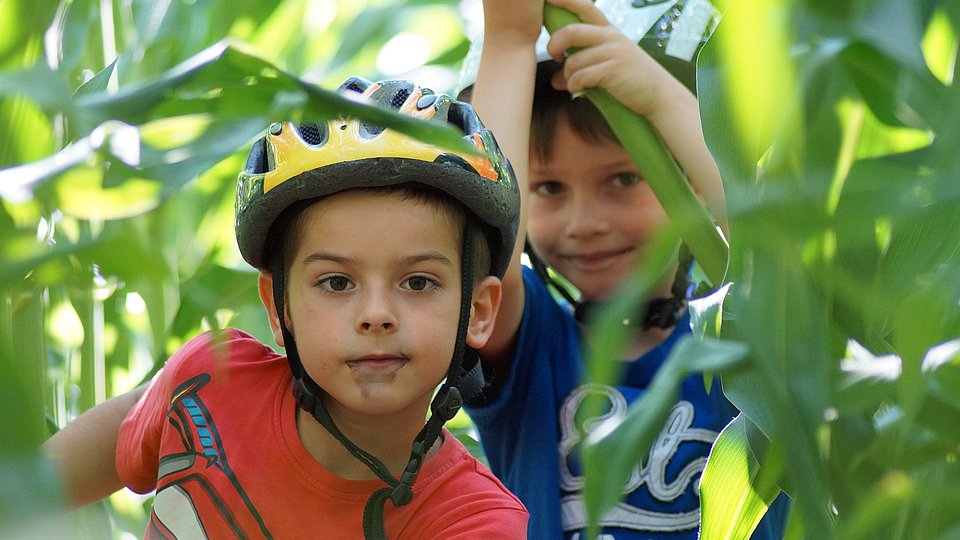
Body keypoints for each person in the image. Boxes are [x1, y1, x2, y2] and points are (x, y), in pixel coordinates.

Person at [43, 76, 528, 539]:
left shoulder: (474, 522)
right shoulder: (206, 388)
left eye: (418, 281)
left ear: (479, 310)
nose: (376, 314)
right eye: (337, 282)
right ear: (278, 308)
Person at [459, 0, 787, 538]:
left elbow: (770, 239)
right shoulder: (531, 347)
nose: (585, 223)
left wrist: (663, 99)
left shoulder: (744, 328)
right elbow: (481, 258)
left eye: (623, 180)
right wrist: (510, 43)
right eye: (548, 188)